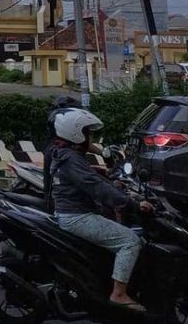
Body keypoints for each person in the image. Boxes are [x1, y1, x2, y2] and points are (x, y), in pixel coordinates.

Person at [49, 108, 153, 310]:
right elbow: (95, 187)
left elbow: (90, 179)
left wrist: (111, 181)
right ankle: (119, 294)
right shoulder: (71, 158)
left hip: (73, 211)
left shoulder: (67, 154)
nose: (91, 137)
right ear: (76, 133)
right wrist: (132, 204)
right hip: (77, 216)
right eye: (88, 133)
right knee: (130, 241)